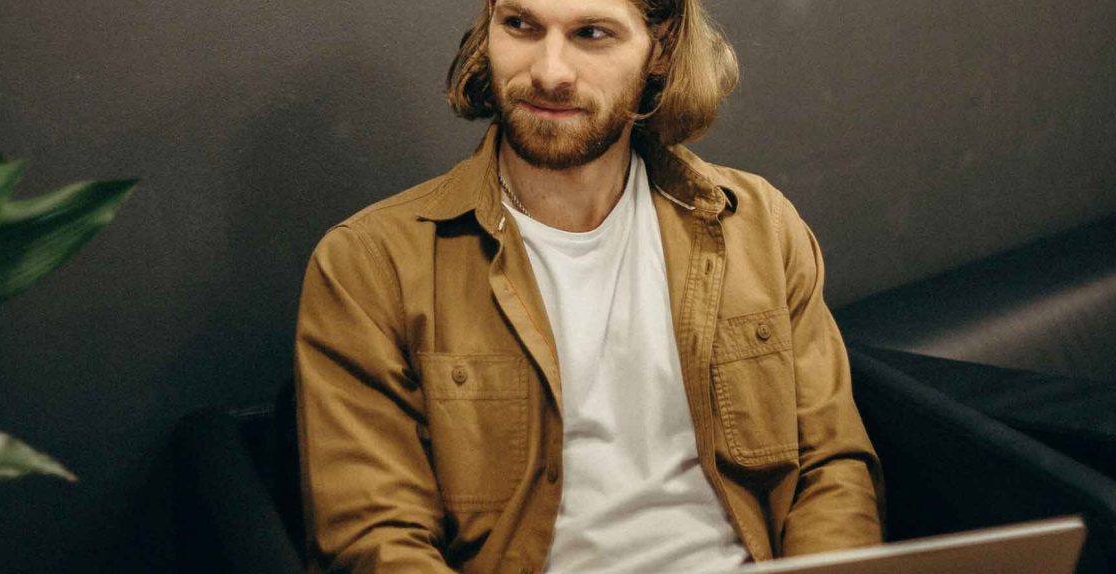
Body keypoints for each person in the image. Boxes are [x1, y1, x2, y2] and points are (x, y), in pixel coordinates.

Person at [294, 0, 882, 572]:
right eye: (520, 24)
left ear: (661, 48)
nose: (550, 72)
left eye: (591, 34)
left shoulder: (757, 226)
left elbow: (831, 468)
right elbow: (375, 539)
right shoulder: (370, 266)